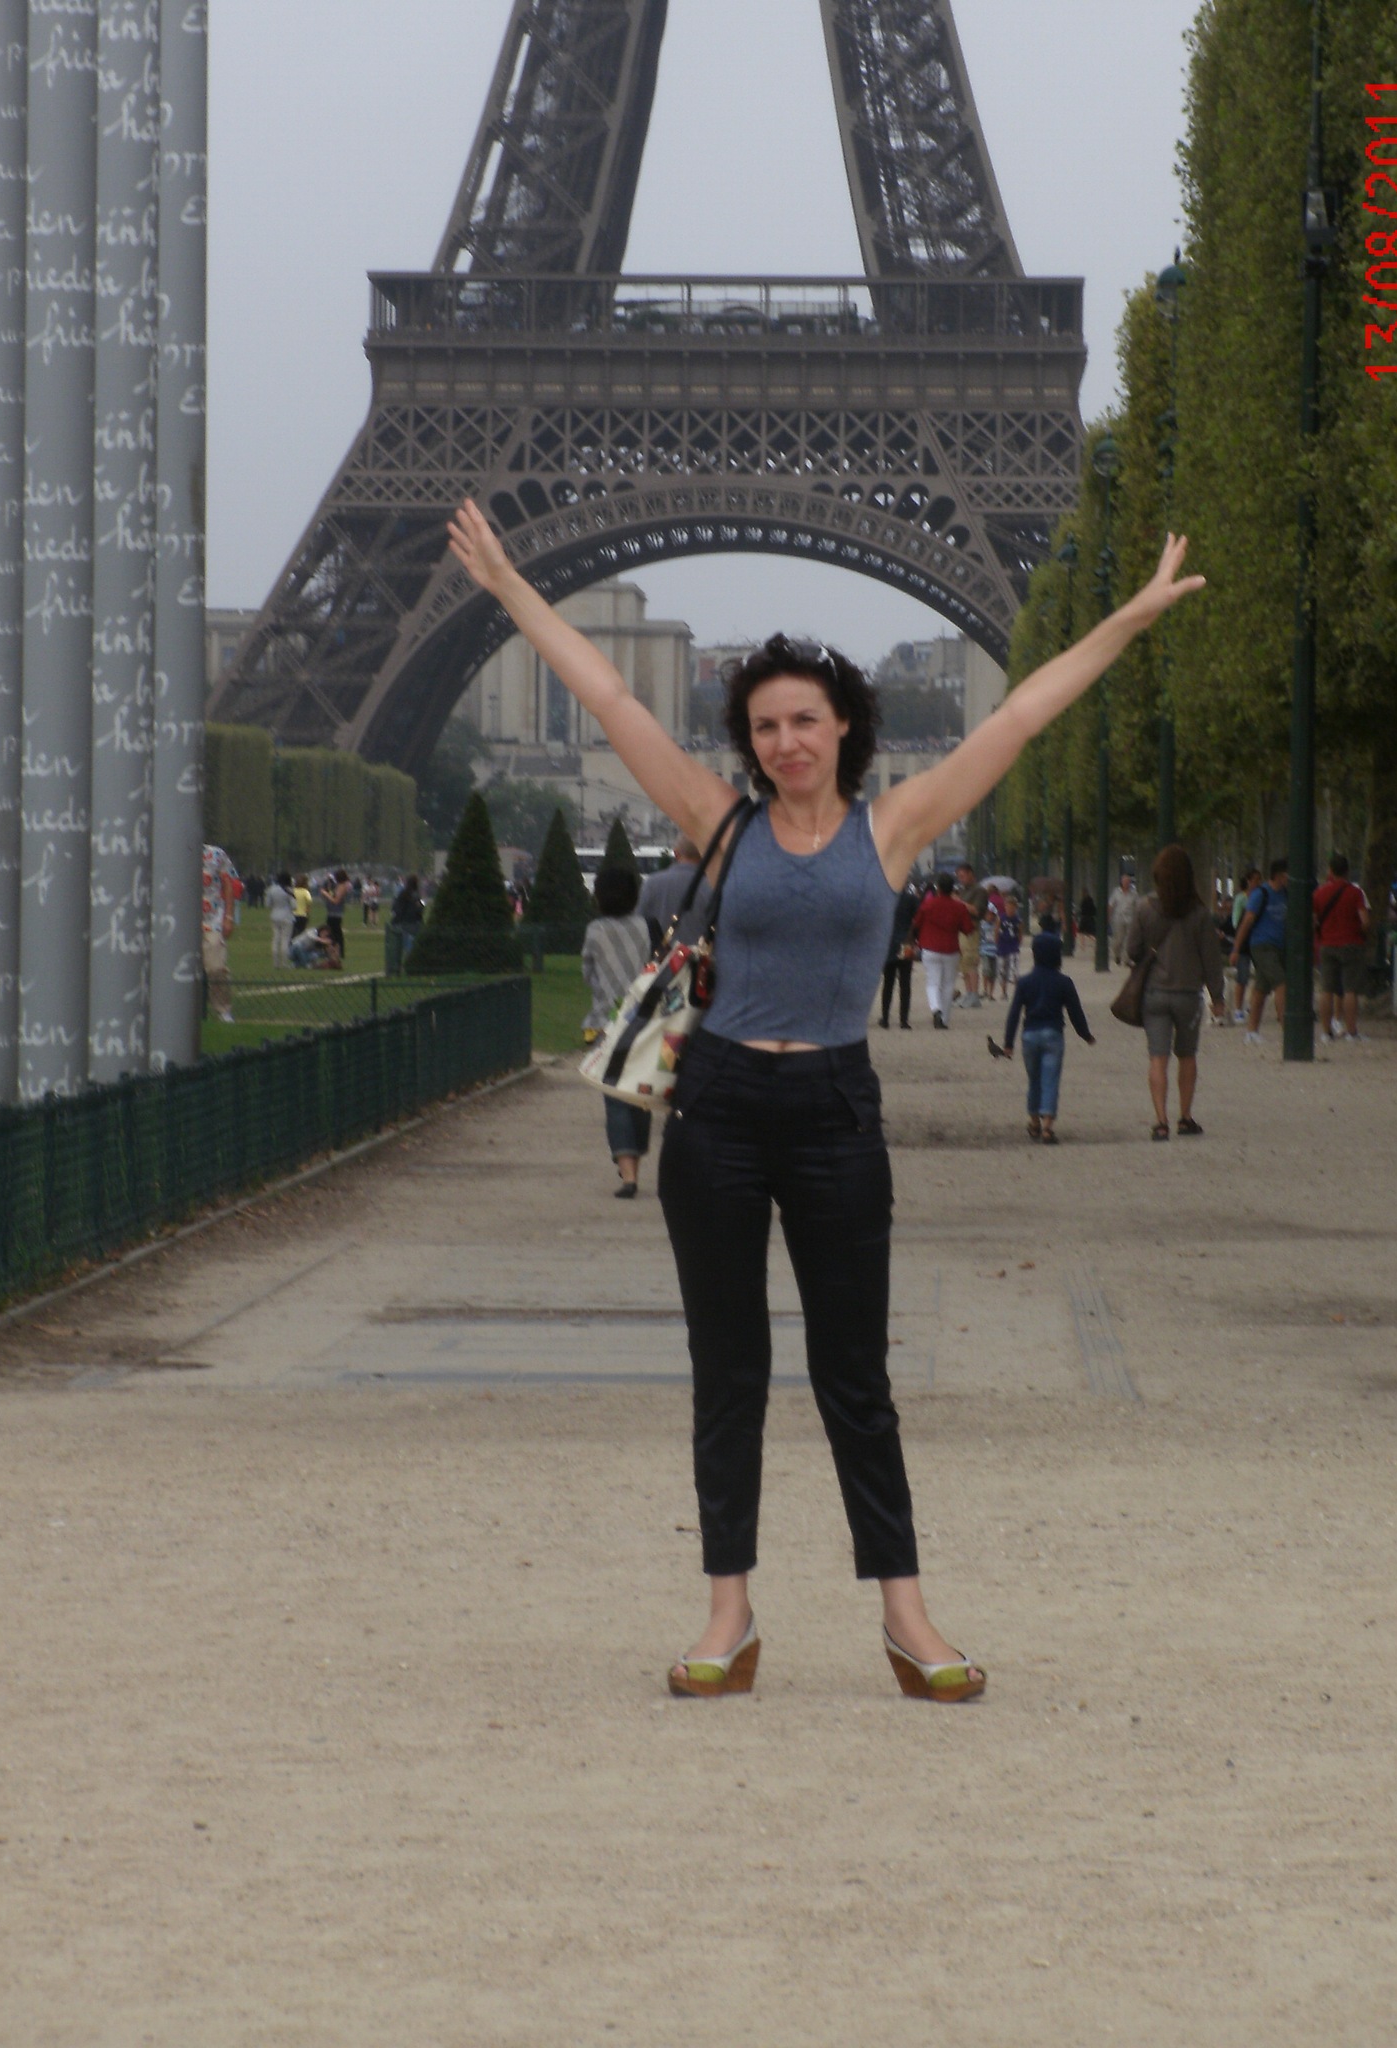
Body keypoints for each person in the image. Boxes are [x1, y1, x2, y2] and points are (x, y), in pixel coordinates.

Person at [447, 495, 1203, 1703]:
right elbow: (611, 695)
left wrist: (1128, 619)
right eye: (765, 724)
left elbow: (1020, 711)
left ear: (844, 722)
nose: (786, 739)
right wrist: (507, 588)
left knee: (857, 1377)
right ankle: (727, 1611)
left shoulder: (893, 827)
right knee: (727, 1371)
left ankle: (906, 1615)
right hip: (719, 1105)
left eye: (804, 718)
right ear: (747, 741)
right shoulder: (719, 820)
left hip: (836, 1107)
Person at [1127, 843, 1226, 1139]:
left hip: (1154, 993)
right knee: (1187, 1055)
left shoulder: (1144, 907)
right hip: (1188, 995)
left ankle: (1161, 1121)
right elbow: (1211, 960)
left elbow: (1132, 950)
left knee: (1157, 1058)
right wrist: (1217, 996)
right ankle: (1185, 1117)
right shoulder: (1199, 914)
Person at [581, 866, 655, 1196]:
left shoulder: (594, 930)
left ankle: (628, 1174)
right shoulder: (646, 927)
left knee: (614, 1094)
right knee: (639, 1092)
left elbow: (588, 973)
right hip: (644, 1019)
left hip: (607, 1020)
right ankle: (634, 1160)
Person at [1000, 927, 1094, 1143]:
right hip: (1053, 1034)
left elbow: (1014, 1013)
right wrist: (1085, 1034)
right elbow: (1075, 1012)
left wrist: (1008, 1043)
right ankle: (1048, 1127)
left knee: (1034, 1079)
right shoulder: (1064, 982)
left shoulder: (1025, 982)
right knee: (1050, 1080)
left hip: (1030, 1035)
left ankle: (1034, 1120)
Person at [1313, 853, 1370, 1044]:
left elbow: (1313, 920)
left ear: (1330, 871)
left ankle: (1326, 1032)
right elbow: (1365, 921)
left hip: (1327, 944)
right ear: (1347, 871)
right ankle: (1351, 1032)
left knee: (1326, 989)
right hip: (1351, 943)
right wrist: (1361, 933)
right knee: (1350, 990)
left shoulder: (1319, 893)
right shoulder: (1355, 892)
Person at [1230, 856, 1288, 1043]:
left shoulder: (1286, 894)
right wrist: (1236, 949)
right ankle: (1289, 1030)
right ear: (1279, 875)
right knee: (1282, 982)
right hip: (1262, 945)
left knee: (1261, 989)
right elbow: (1246, 922)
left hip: (1280, 946)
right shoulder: (1261, 894)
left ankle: (1251, 1031)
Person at [912, 874, 976, 1029]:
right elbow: (968, 929)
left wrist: (915, 941)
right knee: (948, 984)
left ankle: (936, 1009)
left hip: (930, 948)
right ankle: (945, 1019)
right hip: (951, 949)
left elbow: (916, 924)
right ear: (952, 889)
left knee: (932, 982)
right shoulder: (959, 907)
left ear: (938, 888)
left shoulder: (928, 905)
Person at [637, 832, 709, 949]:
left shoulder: (652, 883)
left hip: (660, 957)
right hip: (700, 957)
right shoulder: (711, 886)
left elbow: (639, 922)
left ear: (676, 854)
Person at [201, 843, 240, 1023]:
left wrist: (228, 917)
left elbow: (228, 884)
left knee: (216, 967)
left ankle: (223, 1009)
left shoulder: (216, 854)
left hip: (212, 919)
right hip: (180, 921)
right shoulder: (170, 852)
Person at [877, 880, 920, 1029]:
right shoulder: (911, 899)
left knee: (888, 982)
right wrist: (915, 938)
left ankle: (885, 1018)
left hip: (888, 943)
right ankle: (903, 1020)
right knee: (905, 982)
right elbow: (918, 920)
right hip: (905, 943)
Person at [1228, 864, 1261, 1021]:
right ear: (1248, 881)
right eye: (1255, 880)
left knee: (1261, 974)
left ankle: (1252, 1003)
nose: (1257, 883)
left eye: (1259, 880)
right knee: (1242, 976)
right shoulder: (1241, 898)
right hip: (1244, 940)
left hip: (1258, 939)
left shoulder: (1261, 896)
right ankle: (1238, 1009)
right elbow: (1236, 921)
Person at [953, 861, 982, 1008]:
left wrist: (960, 902)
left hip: (972, 930)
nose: (961, 879)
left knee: (971, 962)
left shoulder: (979, 891)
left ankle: (975, 995)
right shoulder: (963, 890)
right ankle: (969, 992)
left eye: (962, 876)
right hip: (961, 930)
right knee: (963, 963)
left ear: (971, 874)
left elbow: (977, 911)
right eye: (959, 876)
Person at [388, 874, 423, 965]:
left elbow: (397, 908)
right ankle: (409, 962)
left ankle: (401, 963)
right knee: (411, 945)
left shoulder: (403, 894)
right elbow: (420, 909)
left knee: (402, 945)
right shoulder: (416, 895)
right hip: (414, 923)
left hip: (402, 922)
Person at [1109, 868, 1140, 966]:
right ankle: (1117, 954)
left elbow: (1138, 906)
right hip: (1118, 918)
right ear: (1121, 882)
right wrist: (1108, 916)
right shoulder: (1116, 892)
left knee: (1128, 939)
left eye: (1128, 881)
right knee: (1118, 939)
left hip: (1130, 919)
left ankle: (1126, 959)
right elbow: (1111, 905)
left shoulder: (1134, 894)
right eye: (1125, 881)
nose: (1126, 883)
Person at [265, 869, 295, 969]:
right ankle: (284, 963)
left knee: (275, 939)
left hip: (274, 915)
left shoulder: (271, 889)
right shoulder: (289, 890)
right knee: (285, 940)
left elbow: (267, 904)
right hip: (287, 916)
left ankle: (275, 963)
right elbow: (294, 906)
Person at [323, 868, 352, 964]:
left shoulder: (342, 886)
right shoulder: (339, 886)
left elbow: (336, 900)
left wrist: (326, 894)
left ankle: (337, 952)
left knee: (334, 933)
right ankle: (335, 952)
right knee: (336, 933)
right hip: (332, 912)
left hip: (335, 913)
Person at [995, 890, 1023, 990]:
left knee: (1014, 968)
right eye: (1008, 906)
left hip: (1013, 945)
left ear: (1015, 908)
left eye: (1012, 907)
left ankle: (1017, 989)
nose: (1010, 909)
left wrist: (1018, 943)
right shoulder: (1001, 918)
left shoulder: (1018, 920)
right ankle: (1004, 991)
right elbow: (996, 931)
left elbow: (1020, 933)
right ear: (1005, 906)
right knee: (1002, 970)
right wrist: (997, 942)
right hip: (1002, 945)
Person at [291, 873, 312, 940]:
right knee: (301, 934)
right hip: (302, 915)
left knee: (292, 934)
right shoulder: (305, 892)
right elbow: (309, 901)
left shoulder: (292, 891)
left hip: (292, 915)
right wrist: (307, 911)